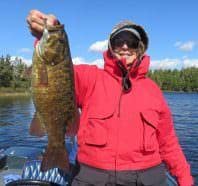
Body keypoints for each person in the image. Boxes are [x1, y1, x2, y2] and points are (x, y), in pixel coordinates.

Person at [27, 10, 194, 186]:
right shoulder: (90, 77)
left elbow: (168, 144)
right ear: (110, 47)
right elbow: (56, 70)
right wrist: (47, 32)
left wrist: (185, 180)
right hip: (93, 176)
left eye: (131, 42)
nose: (124, 46)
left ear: (140, 48)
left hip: (147, 177)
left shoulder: (153, 91)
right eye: (118, 41)